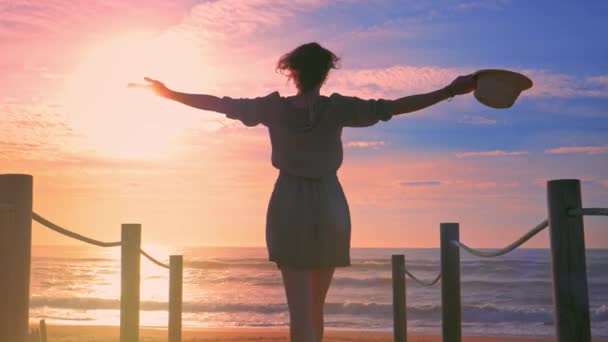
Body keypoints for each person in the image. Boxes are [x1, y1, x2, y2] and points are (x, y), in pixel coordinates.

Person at [131, 42, 476, 342]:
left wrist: (169, 93)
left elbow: (220, 104)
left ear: (292, 72)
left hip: (289, 203)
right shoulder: (340, 107)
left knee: (299, 312)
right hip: (330, 204)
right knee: (315, 309)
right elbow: (394, 107)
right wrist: (448, 90)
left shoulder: (273, 108)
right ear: (326, 74)